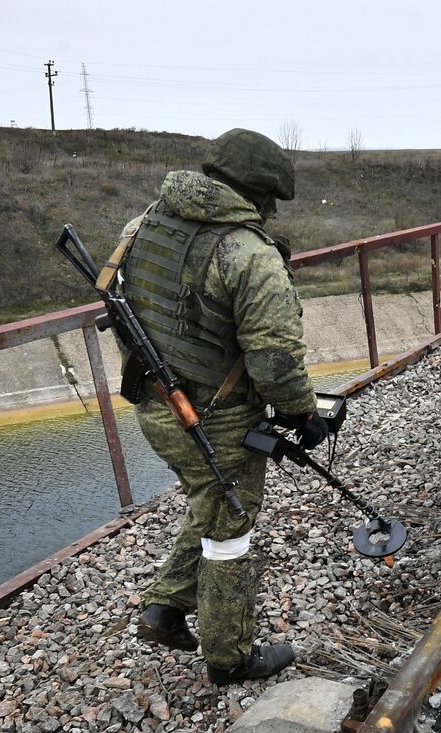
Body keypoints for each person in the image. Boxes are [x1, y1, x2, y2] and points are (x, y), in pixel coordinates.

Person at [119, 128, 329, 685]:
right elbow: (277, 359)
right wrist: (302, 413)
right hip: (216, 418)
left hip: (153, 404)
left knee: (210, 499)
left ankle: (165, 608)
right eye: (271, 203)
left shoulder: (143, 227)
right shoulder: (249, 254)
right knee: (231, 528)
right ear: (258, 195)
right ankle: (230, 658)